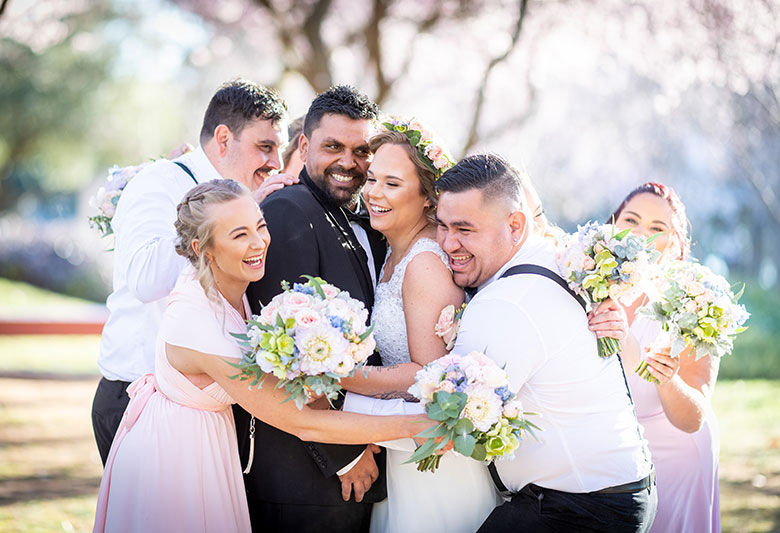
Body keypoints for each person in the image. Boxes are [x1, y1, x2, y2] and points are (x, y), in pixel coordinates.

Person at [93, 180, 426, 533]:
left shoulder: (233, 282)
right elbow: (302, 422)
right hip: (177, 456)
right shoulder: (197, 322)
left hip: (212, 442)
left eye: (260, 226)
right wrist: (416, 425)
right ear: (203, 248)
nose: (259, 243)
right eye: (239, 235)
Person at [435, 154, 657, 532]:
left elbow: (452, 419)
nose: (447, 242)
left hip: (581, 510)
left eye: (464, 229)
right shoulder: (556, 258)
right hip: (618, 490)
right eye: (441, 226)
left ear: (516, 225)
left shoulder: (508, 302)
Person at [91, 79, 298, 465]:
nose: (276, 163)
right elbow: (144, 280)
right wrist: (220, 223)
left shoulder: (247, 204)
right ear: (223, 139)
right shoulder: (159, 183)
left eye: (280, 150)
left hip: (206, 405)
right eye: (265, 147)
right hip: (139, 399)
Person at [236, 85, 387, 533]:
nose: (348, 162)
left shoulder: (348, 216)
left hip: (343, 462)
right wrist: (345, 456)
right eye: (333, 147)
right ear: (303, 146)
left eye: (361, 151)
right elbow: (288, 350)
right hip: (307, 477)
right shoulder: (287, 210)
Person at [338, 121, 499, 532]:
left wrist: (339, 376)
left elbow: (427, 374)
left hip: (436, 463)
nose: (373, 192)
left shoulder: (424, 262)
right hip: (405, 446)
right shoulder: (394, 252)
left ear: (428, 199)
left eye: (392, 183)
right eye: (372, 179)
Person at [612, 182, 720, 533]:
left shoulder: (693, 300)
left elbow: (694, 417)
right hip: (611, 452)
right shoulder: (588, 283)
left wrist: (667, 377)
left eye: (657, 228)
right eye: (631, 220)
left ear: (675, 244)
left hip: (675, 454)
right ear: (612, 225)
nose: (641, 234)